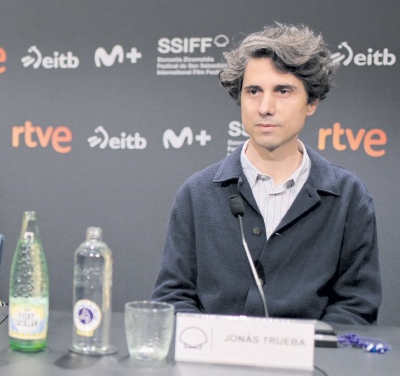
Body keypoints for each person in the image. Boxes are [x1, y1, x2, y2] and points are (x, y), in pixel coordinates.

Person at [151, 23, 381, 325]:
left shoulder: (348, 196)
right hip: (213, 354)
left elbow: (356, 306)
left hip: (312, 355)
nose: (265, 107)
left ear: (311, 102)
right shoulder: (197, 193)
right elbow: (172, 297)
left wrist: (302, 347)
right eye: (253, 91)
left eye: (283, 91)